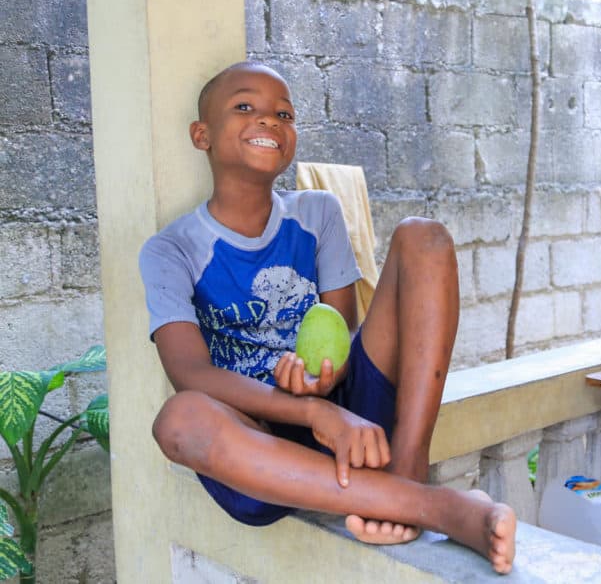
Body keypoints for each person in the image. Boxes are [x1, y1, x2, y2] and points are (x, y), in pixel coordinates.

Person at [138, 61, 515, 574]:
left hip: (353, 423)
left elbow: (341, 331)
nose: (269, 120)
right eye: (245, 107)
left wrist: (324, 384)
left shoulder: (318, 213)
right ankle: (434, 507)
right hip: (264, 446)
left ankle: (407, 470)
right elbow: (191, 374)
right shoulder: (171, 250)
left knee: (422, 235)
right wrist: (311, 412)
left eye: (284, 113)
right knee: (178, 419)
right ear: (201, 134)